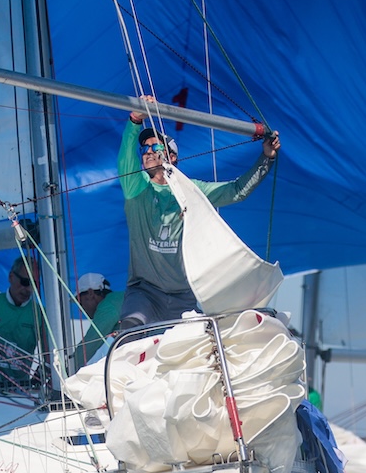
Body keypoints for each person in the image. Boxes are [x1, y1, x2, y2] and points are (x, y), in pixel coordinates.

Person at [117, 94, 281, 329]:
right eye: (144, 148)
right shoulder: (137, 187)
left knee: (192, 354)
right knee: (130, 330)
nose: (148, 152)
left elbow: (236, 191)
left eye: (156, 147)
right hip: (145, 293)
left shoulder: (191, 190)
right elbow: (125, 162)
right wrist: (134, 121)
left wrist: (266, 158)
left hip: (184, 296)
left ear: (172, 157)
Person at [70, 272, 123, 371]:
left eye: (80, 303)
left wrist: (67, 368)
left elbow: (89, 344)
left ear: (90, 293)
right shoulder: (117, 299)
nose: (80, 310)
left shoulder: (107, 306)